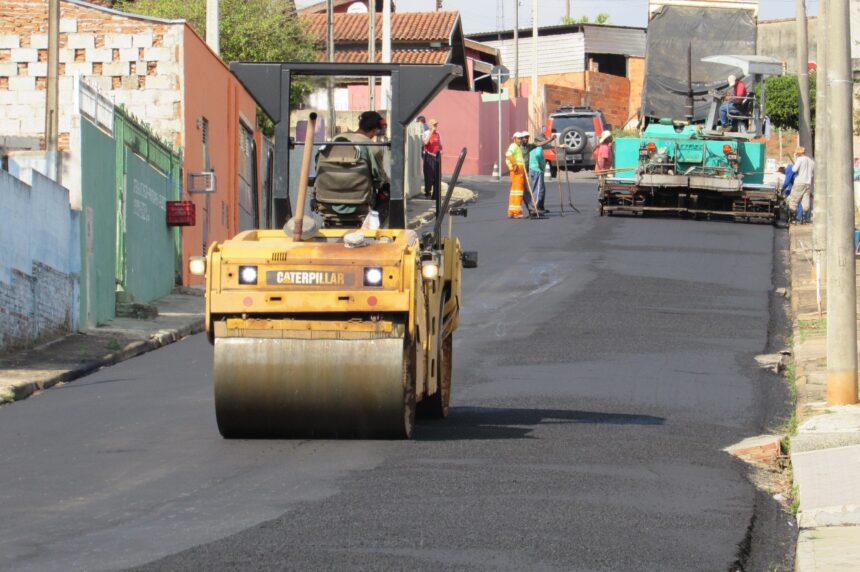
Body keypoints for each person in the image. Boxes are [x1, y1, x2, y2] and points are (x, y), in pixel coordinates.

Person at [314, 110, 390, 223]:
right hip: (360, 203)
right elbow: (379, 179)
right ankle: (379, 229)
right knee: (389, 189)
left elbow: (317, 169)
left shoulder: (335, 140)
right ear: (375, 130)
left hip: (325, 202)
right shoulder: (373, 147)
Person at [528, 134, 555, 214]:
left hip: (533, 169)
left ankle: (540, 207)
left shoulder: (533, 146)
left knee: (540, 188)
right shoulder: (538, 147)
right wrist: (540, 164)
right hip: (537, 169)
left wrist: (556, 146)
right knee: (538, 189)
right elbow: (538, 155)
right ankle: (535, 208)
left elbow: (547, 146)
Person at [787, 147, 814, 224]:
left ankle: (792, 219)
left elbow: (794, 170)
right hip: (808, 183)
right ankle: (804, 219)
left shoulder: (800, 159)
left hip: (799, 182)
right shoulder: (811, 161)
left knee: (794, 200)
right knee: (805, 201)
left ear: (798, 154)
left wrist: (795, 162)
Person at [506, 132, 528, 218]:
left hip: (518, 171)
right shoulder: (514, 146)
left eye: (521, 138)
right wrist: (514, 164)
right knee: (518, 192)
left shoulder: (517, 147)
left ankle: (512, 211)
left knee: (514, 192)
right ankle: (516, 212)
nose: (520, 140)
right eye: (519, 138)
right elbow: (508, 154)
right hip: (517, 172)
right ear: (514, 139)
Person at [422, 118, 442, 198]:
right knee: (429, 177)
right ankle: (427, 192)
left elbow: (440, 144)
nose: (435, 126)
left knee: (437, 176)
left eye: (436, 125)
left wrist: (441, 151)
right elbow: (425, 142)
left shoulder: (438, 134)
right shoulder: (426, 133)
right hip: (429, 156)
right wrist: (431, 132)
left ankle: (435, 195)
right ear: (430, 126)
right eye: (434, 125)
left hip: (436, 156)